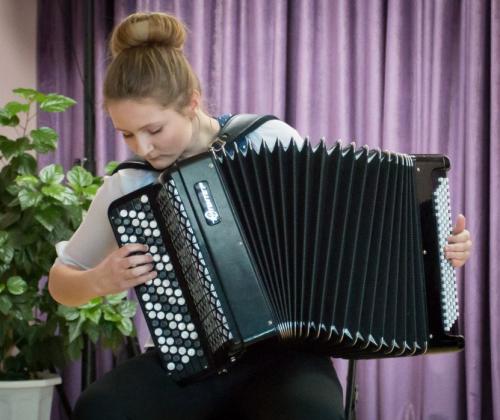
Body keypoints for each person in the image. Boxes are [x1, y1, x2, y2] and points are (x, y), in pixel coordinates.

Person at [48, 12, 473, 420]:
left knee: (312, 415)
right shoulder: (128, 185)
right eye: (126, 134)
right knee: (100, 408)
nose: (142, 148)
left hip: (288, 355)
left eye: (154, 129)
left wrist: (434, 249)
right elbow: (60, 282)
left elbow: (344, 233)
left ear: (191, 103)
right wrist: (99, 280)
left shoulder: (267, 139)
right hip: (193, 360)